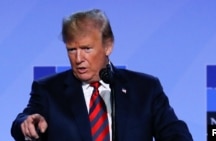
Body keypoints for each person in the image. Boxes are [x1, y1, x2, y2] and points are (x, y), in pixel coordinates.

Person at [11, 8, 193, 141]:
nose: (78, 58)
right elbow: (21, 123)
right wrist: (26, 123)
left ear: (108, 46)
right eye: (72, 50)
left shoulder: (145, 88)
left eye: (86, 49)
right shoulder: (49, 90)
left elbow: (174, 132)